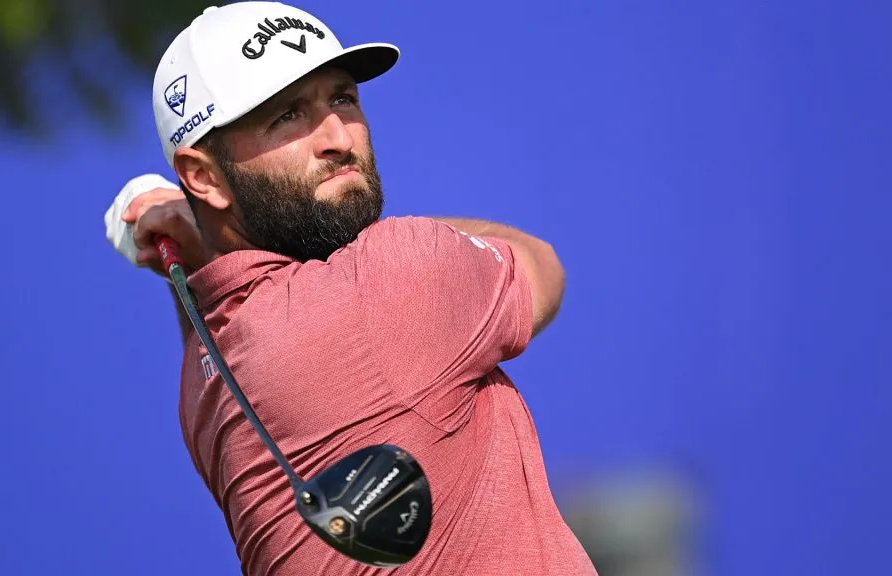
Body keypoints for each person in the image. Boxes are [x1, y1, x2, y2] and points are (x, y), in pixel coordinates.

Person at [103, 2, 597, 574]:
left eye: (342, 98)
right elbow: (543, 265)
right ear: (204, 177)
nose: (338, 137)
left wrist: (190, 233)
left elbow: (209, 303)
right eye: (287, 115)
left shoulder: (204, 389)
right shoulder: (397, 274)